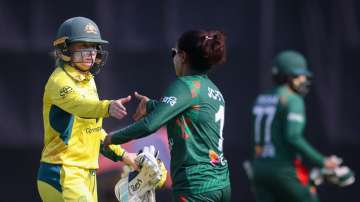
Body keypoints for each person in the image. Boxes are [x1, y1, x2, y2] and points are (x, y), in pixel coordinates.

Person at [104, 30, 231, 202]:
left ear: (183, 56)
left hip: (195, 186)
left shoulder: (185, 85)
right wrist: (150, 105)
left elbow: (150, 125)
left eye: (174, 53)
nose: (173, 59)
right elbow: (188, 114)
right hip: (221, 183)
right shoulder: (213, 90)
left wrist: (111, 138)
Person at [37, 16, 138, 202]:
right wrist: (107, 107)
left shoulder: (88, 80)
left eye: (93, 47)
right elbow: (81, 106)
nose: (91, 53)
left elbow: (93, 131)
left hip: (86, 174)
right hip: (62, 171)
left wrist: (125, 156)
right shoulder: (59, 81)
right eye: (83, 46)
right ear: (64, 48)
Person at [249, 50, 340, 202]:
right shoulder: (292, 99)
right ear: (288, 76)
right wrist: (322, 161)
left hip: (258, 169)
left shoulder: (261, 98)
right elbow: (293, 137)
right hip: (283, 170)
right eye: (300, 75)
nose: (304, 79)